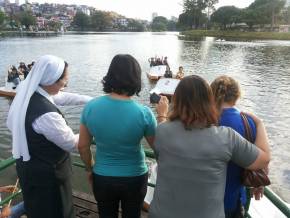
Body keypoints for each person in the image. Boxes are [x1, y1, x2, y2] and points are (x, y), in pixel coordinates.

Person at [148, 75, 270, 218]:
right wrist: (260, 124)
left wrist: (162, 116)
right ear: (209, 101)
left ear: (177, 101)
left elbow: (160, 156)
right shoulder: (226, 137)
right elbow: (264, 159)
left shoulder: (162, 131)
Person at [6, 55, 92, 218]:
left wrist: (94, 101)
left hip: (29, 168)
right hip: (48, 177)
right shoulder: (46, 115)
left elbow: (63, 97)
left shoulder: (30, 94)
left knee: (37, 207)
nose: (66, 84)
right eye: (64, 80)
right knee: (57, 210)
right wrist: (95, 128)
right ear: (51, 80)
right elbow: (71, 143)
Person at [78, 54, 163, 218]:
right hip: (135, 177)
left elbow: (82, 146)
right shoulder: (144, 113)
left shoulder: (91, 107)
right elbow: (158, 149)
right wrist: (163, 117)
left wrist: (89, 169)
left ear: (109, 76)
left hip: (102, 176)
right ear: (136, 78)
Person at [211, 75, 267, 218]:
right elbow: (262, 159)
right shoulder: (249, 122)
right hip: (233, 199)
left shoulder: (205, 120)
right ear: (237, 96)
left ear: (212, 95)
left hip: (206, 200)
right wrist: (259, 183)